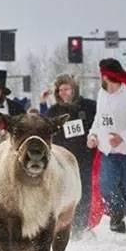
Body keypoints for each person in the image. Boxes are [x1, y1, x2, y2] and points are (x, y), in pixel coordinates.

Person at [87, 58, 126, 242]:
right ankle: (118, 211)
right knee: (106, 188)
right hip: (109, 153)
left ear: (107, 76)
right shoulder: (102, 94)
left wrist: (123, 136)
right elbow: (100, 119)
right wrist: (92, 135)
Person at [45, 74, 97, 234]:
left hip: (85, 157)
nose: (63, 93)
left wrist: (95, 137)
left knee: (84, 191)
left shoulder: (89, 106)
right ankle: (64, 225)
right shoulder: (53, 111)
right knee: (63, 191)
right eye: (60, 90)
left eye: (66, 89)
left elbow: (100, 123)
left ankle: (80, 227)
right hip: (62, 160)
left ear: (74, 89)